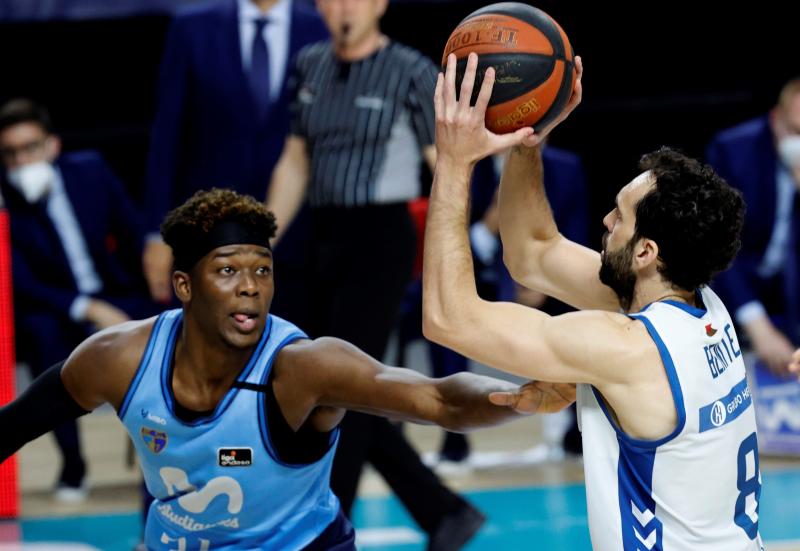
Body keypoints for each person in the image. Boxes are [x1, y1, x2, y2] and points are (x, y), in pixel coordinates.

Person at [0, 188, 574, 550]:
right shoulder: (119, 358)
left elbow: (436, 399)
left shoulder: (301, 367)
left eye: (262, 270)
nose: (250, 286)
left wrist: (513, 397)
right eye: (227, 271)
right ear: (184, 286)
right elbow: (13, 426)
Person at [422, 53, 763, 550]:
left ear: (646, 252)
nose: (605, 220)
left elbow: (447, 317)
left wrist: (454, 161)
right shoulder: (701, 305)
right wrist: (528, 137)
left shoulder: (626, 347)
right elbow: (535, 254)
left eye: (619, 217)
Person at [266, 0, 487, 545]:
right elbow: (296, 158)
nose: (343, 8)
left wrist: (453, 243)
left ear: (380, 4)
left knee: (344, 381)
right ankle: (442, 510)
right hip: (319, 233)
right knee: (321, 380)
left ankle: (327, 522)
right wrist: (263, 238)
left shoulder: (411, 70)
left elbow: (447, 162)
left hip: (382, 236)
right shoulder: (309, 63)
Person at [0, 99, 160, 501]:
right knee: (42, 333)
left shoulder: (90, 172)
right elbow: (22, 282)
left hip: (117, 292)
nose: (21, 160)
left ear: (52, 145)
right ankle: (73, 464)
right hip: (59, 305)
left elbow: (133, 232)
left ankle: (162, 458)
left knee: (167, 325)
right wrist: (88, 308)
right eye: (11, 153)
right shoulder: (7, 204)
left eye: (30, 148)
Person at [141, 0, 327, 306]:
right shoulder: (191, 27)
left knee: (294, 349)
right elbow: (166, 138)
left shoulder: (321, 26)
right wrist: (155, 234)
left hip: (302, 240)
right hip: (208, 231)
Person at [705, 77, 800, 375]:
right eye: (795, 131)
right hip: (735, 291)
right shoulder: (734, 150)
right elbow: (716, 243)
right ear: (776, 118)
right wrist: (757, 325)